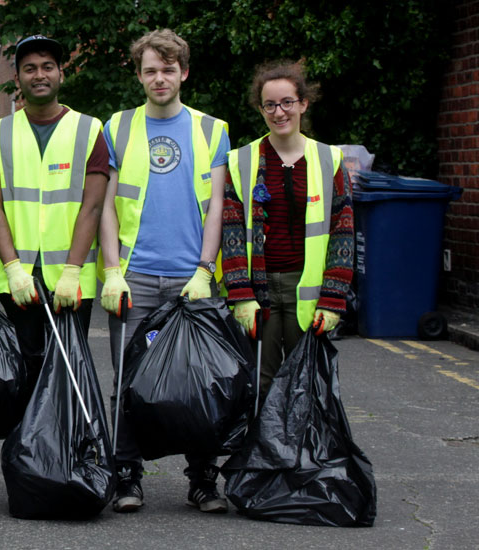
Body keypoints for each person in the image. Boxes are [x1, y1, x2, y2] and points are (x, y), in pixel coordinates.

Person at [97, 28, 230, 514]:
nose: (159, 78)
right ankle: (127, 476)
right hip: (134, 277)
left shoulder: (212, 129)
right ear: (138, 75)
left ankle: (202, 480)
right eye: (150, 70)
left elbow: (216, 206)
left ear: (184, 72)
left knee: (199, 381)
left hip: (189, 280)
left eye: (168, 69)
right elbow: (107, 206)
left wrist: (205, 269)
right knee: (129, 381)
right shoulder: (118, 127)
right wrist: (112, 271)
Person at [0, 35, 109, 386]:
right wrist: (12, 268)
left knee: (69, 374)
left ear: (61, 74)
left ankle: (71, 442)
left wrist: (71, 271)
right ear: (18, 78)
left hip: (71, 279)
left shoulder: (89, 129)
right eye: (30, 68)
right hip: (19, 278)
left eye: (47, 67)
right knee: (28, 371)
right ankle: (30, 442)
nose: (40, 75)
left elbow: (92, 207)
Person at [222, 61, 354, 394]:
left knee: (306, 381)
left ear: (303, 104)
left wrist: (333, 299)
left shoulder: (329, 160)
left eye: (287, 103)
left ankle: (305, 449)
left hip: (307, 290)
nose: (279, 112)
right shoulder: (242, 160)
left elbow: (343, 232)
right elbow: (232, 231)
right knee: (259, 383)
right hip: (258, 290)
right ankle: (263, 448)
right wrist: (240, 296)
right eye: (270, 105)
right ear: (260, 109)